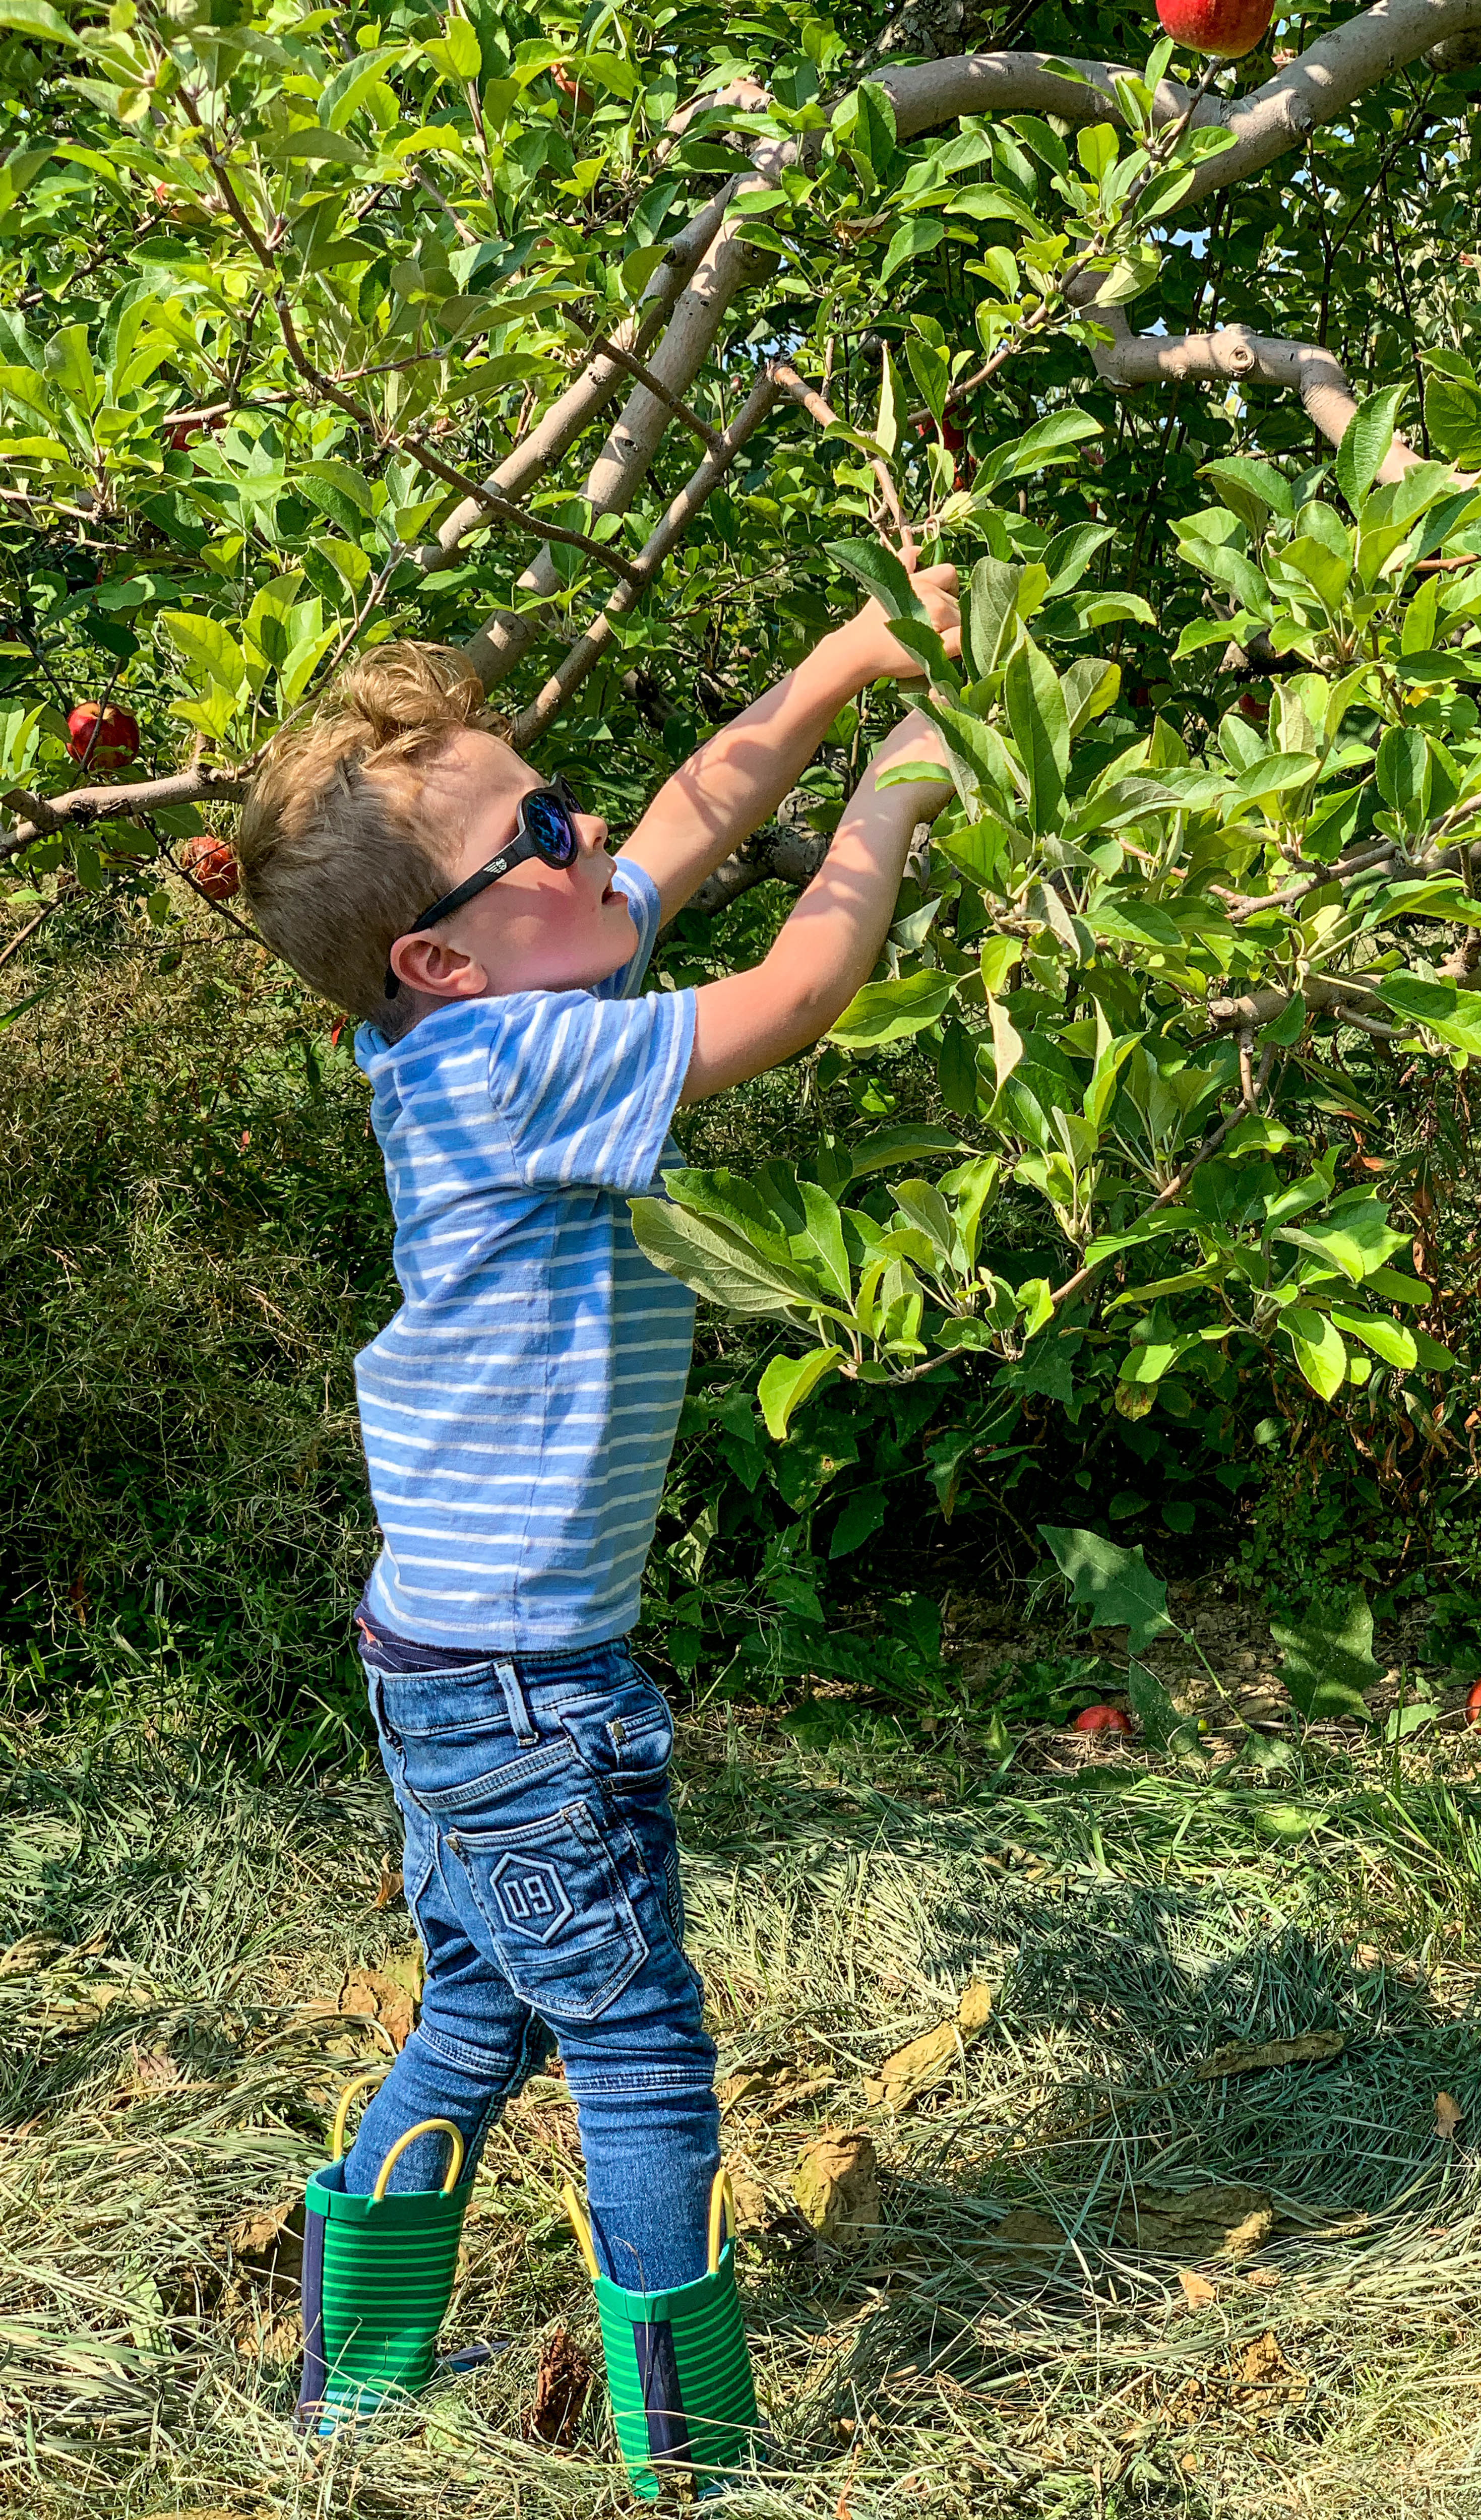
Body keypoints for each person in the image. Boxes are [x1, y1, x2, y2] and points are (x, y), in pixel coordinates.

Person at [234, 565, 959, 2482]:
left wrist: (849, 658)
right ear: (440, 957)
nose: (587, 838)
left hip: (449, 1660)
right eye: (537, 834)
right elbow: (798, 992)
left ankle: (352, 2382)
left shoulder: (474, 1016)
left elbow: (680, 835)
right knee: (637, 2046)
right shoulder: (510, 1062)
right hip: (529, 1687)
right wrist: (898, 783)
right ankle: (689, 2451)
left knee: (478, 2008)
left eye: (559, 800)